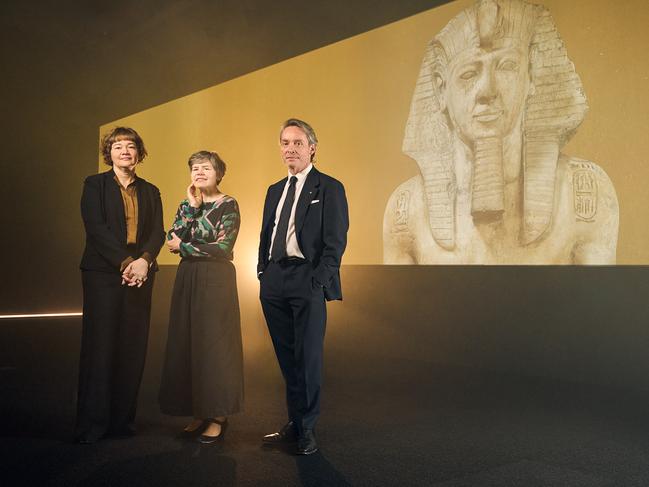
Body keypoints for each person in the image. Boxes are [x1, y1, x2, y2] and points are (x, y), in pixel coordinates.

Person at [383, 0, 619, 264]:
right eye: (469, 73)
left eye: (506, 66)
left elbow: (594, 303)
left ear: (531, 74)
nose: (487, 90)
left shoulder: (583, 196)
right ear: (440, 89)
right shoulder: (406, 211)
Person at [258, 118, 349, 455]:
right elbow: (268, 234)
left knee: (307, 358)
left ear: (312, 148)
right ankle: (295, 423)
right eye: (285, 143)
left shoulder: (329, 188)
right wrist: (263, 273)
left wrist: (317, 281)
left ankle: (308, 429)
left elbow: (335, 242)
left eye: (297, 142)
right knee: (287, 359)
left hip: (306, 279)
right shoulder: (274, 191)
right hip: (274, 281)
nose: (290, 149)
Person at [76, 126, 165, 443]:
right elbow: (95, 228)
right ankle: (92, 425)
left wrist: (143, 261)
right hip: (103, 273)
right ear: (108, 154)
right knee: (100, 348)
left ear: (139, 153)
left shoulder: (151, 190)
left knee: (132, 347)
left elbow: (158, 233)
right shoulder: (94, 184)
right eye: (117, 147)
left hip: (141, 273)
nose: (124, 151)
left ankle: (121, 423)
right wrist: (126, 263)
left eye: (130, 146)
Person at [159, 151, 243, 444]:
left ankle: (218, 416)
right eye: (195, 168)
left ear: (219, 173)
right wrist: (192, 208)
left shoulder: (228, 204)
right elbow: (171, 239)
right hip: (188, 277)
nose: (199, 172)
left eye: (206, 168)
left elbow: (223, 249)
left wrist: (185, 246)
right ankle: (198, 411)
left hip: (215, 279)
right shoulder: (188, 204)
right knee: (189, 343)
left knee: (214, 347)